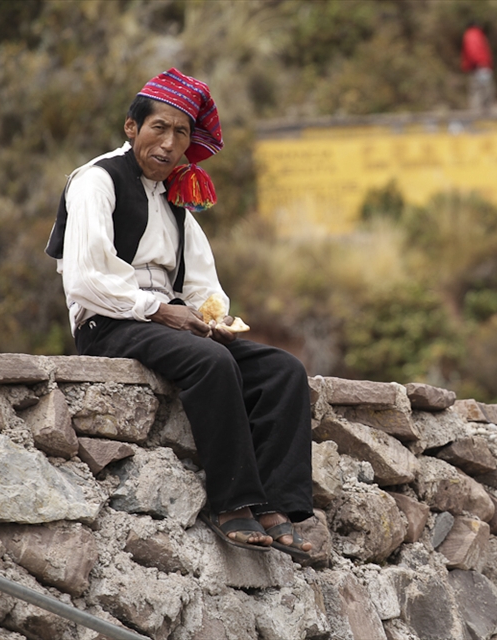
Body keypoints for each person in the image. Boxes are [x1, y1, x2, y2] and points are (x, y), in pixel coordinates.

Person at [45, 68, 314, 558]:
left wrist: (211, 318)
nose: (169, 144)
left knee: (283, 371)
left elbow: (202, 283)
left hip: (169, 325)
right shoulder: (96, 181)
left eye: (182, 133)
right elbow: (85, 279)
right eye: (159, 128)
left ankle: (278, 504)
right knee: (210, 362)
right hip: (109, 322)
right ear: (132, 127)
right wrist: (161, 310)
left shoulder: (176, 201)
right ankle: (231, 503)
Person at [461, 21, 495, 112]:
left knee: (478, 90)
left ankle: (478, 111)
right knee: (484, 90)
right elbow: (474, 50)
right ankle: (481, 112)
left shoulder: (470, 34)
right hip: (480, 66)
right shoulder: (474, 34)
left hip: (476, 66)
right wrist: (481, 62)